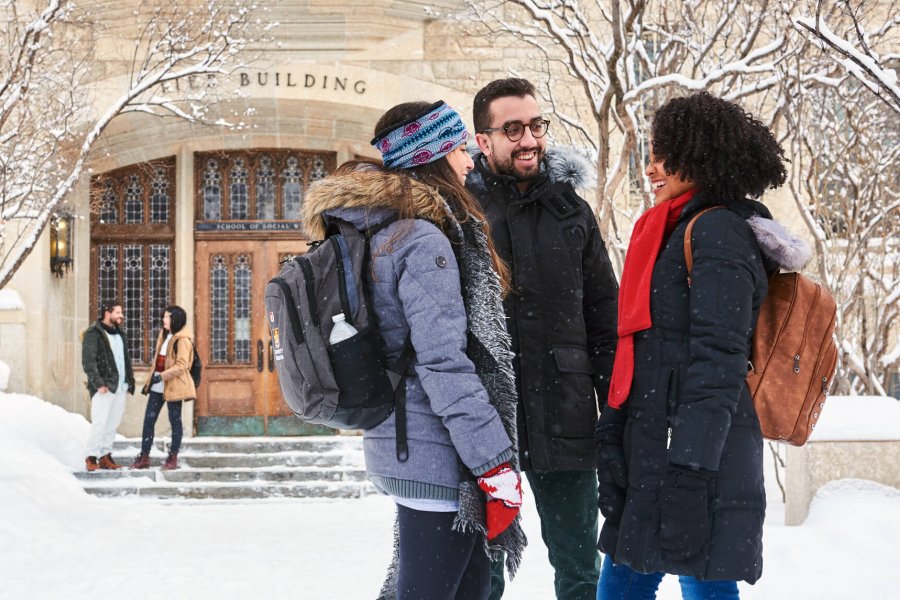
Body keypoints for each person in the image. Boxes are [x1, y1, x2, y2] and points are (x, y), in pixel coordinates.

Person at [303, 100, 526, 600]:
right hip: (435, 453)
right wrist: (494, 463)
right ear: (434, 155)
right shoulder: (422, 240)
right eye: (459, 148)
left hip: (411, 444)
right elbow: (443, 361)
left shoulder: (384, 232)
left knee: (467, 589)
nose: (471, 160)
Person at [595, 92, 807, 599]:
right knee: (676, 579)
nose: (650, 168)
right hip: (658, 446)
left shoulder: (718, 233)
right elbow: (655, 352)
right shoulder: (678, 228)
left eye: (662, 154)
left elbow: (719, 359)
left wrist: (690, 470)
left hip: (689, 454)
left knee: (685, 582)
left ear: (701, 155)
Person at [468, 78, 619, 600]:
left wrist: (617, 408)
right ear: (483, 141)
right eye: (513, 129)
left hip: (567, 415)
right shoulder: (460, 213)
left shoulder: (572, 212)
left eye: (536, 125)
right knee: (479, 576)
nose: (529, 138)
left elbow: (605, 318)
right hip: (486, 425)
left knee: (579, 571)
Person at [130, 305, 196, 471]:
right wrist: (154, 378)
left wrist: (162, 375)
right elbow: (158, 360)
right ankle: (144, 456)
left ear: (174, 319)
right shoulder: (165, 334)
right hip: (157, 386)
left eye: (166, 317)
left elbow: (182, 365)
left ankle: (173, 457)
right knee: (149, 420)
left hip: (173, 386)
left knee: (175, 421)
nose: (163, 320)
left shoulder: (183, 340)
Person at [81, 301, 135, 471]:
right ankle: (91, 457)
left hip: (120, 387)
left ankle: (105, 456)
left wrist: (129, 382)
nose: (121, 316)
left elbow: (125, 360)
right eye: (118, 312)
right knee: (100, 422)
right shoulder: (94, 333)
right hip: (104, 387)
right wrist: (98, 383)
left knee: (112, 424)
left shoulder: (120, 334)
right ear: (107, 313)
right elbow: (88, 362)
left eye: (121, 312)